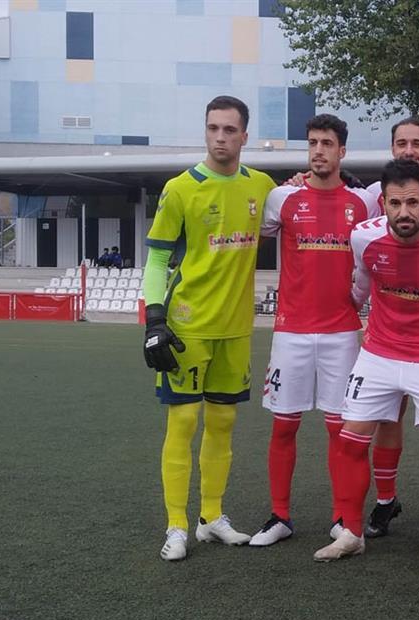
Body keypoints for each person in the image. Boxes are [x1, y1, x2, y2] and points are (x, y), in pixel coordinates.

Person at [312, 159, 419, 573]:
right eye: (394, 203)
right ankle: (351, 533)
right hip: (379, 355)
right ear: (382, 204)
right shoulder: (363, 238)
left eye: (412, 202)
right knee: (351, 442)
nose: (404, 212)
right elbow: (362, 287)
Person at [145, 95, 277, 561]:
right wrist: (154, 318)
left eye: (229, 130)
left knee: (223, 422)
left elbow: (294, 209)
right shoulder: (181, 188)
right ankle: (176, 525)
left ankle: (211, 518)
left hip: (236, 329)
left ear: (245, 136)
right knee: (183, 421)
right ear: (206, 131)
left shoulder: (262, 186)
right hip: (188, 327)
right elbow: (159, 256)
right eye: (213, 128)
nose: (220, 137)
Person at [248, 113, 380, 547]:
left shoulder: (363, 203)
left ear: (342, 151)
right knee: (284, 426)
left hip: (343, 332)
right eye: (313, 143)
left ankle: (343, 518)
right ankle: (280, 516)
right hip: (291, 331)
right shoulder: (282, 198)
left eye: (327, 143)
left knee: (340, 429)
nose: (319, 150)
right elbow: (257, 232)